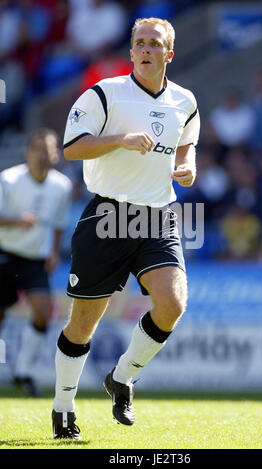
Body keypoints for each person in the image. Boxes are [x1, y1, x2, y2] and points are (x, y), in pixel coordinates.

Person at [52, 17, 200, 440]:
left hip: (158, 216)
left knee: (172, 305)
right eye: (140, 43)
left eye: (156, 43)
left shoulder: (184, 101)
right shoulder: (104, 94)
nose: (147, 49)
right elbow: (72, 147)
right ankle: (63, 409)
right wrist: (120, 138)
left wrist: (187, 167)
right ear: (131, 51)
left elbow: (187, 141)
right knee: (83, 323)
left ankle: (121, 379)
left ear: (168, 54)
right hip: (106, 217)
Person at [0, 128, 72, 396]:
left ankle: (23, 371)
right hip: (5, 253)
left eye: (49, 149)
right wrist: (17, 220)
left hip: (35, 259)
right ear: (27, 152)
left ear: (56, 154)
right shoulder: (8, 180)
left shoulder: (61, 185)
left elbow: (59, 224)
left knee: (43, 312)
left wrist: (54, 251)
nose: (43, 155)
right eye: (38, 149)